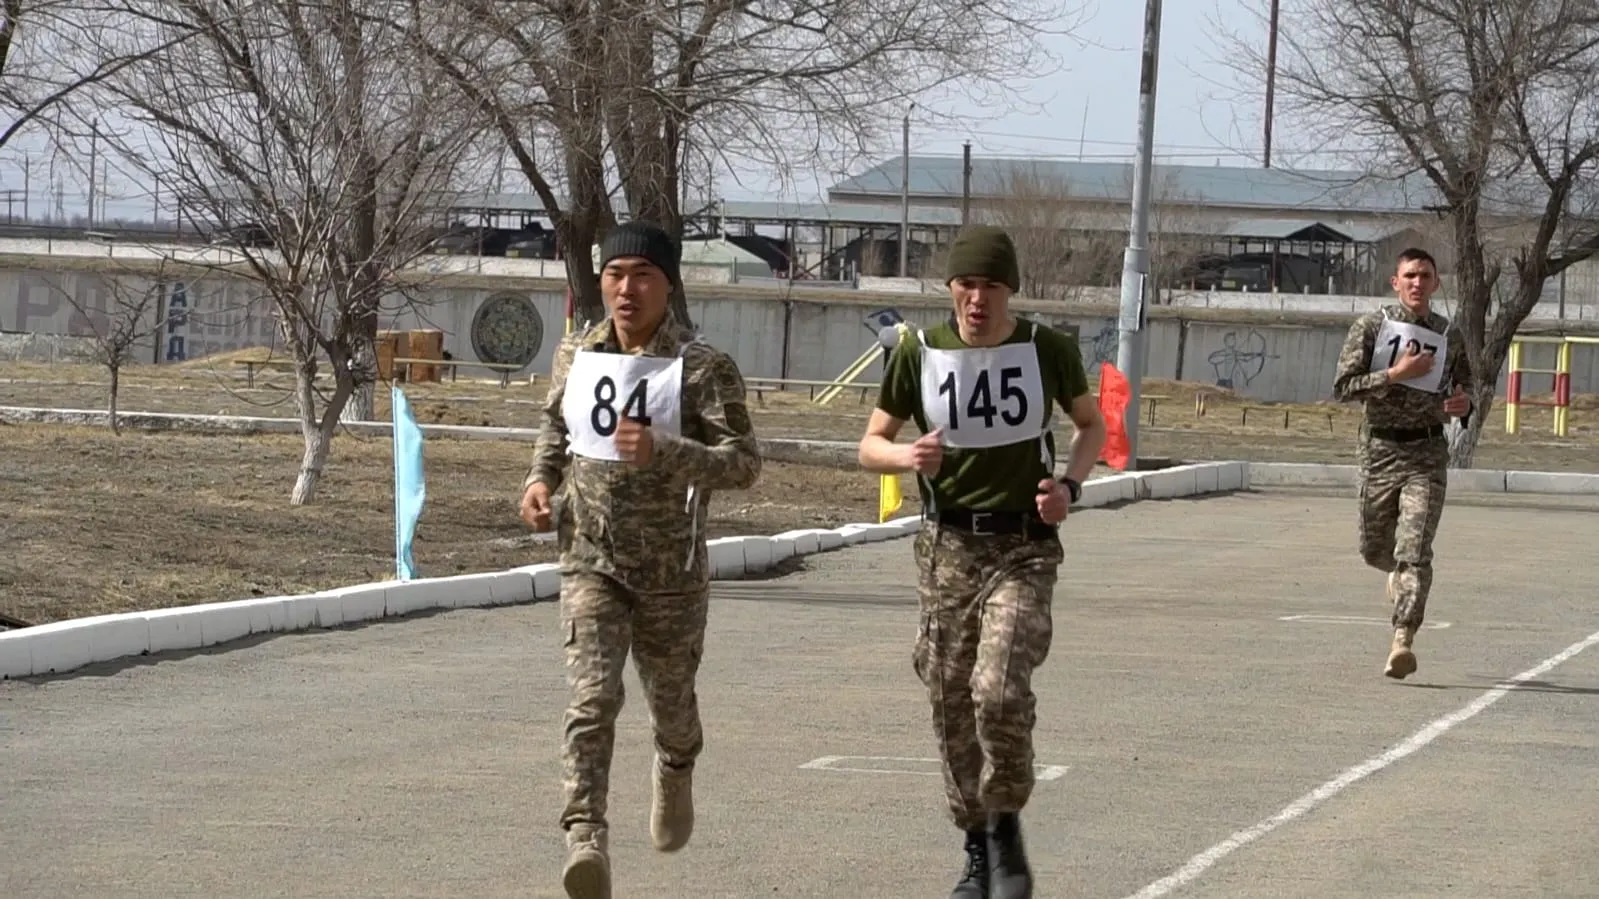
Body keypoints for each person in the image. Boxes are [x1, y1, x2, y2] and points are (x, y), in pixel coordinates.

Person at [857, 225, 1106, 899]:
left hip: (1021, 546)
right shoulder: (919, 353)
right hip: (946, 548)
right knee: (948, 697)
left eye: (990, 286)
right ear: (950, 291)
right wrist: (907, 456)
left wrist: (1070, 488)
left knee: (996, 689)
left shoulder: (1044, 349)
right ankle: (975, 843)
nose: (977, 300)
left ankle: (1005, 817)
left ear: (1009, 292)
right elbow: (870, 443)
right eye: (965, 285)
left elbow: (1092, 425)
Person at [519, 220, 761, 899]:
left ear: (668, 283)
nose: (627, 289)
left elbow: (743, 464)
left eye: (643, 275)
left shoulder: (701, 366)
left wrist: (667, 449)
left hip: (671, 571)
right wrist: (538, 483)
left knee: (671, 703)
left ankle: (676, 763)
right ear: (601, 280)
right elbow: (554, 426)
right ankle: (584, 836)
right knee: (592, 697)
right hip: (590, 557)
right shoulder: (577, 352)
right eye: (616, 274)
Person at [1332, 247, 1474, 680]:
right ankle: (1394, 575)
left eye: (1425, 276)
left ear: (1436, 283)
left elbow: (1465, 387)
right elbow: (1343, 387)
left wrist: (1463, 402)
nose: (1417, 283)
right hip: (1379, 452)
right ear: (1396, 282)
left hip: (1426, 454)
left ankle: (1403, 639)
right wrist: (1397, 373)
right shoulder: (1372, 328)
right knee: (1376, 550)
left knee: (1415, 550)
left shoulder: (1448, 334)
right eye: (1409, 275)